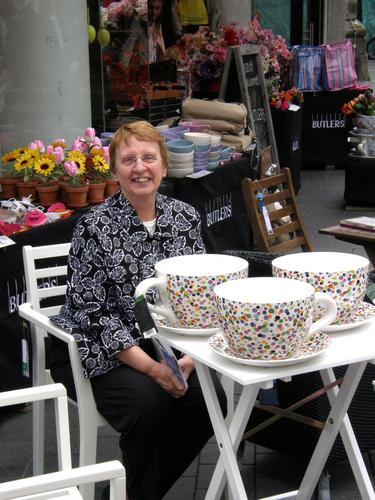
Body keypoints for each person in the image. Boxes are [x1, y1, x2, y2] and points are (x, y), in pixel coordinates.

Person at [50, 121, 227, 500]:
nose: (139, 167)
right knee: (150, 407)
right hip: (103, 348)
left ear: (164, 165)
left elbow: (201, 297)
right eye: (128, 159)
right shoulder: (93, 226)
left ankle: (127, 494)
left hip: (169, 347)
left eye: (149, 157)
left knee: (209, 404)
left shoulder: (185, 217)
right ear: (115, 170)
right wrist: (155, 370)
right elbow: (93, 314)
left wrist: (187, 362)